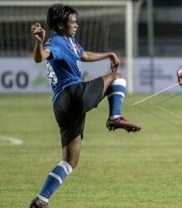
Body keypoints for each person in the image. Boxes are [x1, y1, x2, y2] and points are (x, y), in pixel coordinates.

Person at [29, 4, 141, 208]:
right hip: (73, 94)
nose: (76, 25)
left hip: (61, 106)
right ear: (61, 25)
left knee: (70, 161)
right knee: (117, 77)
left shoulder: (69, 42)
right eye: (72, 22)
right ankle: (115, 117)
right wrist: (38, 42)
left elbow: (83, 55)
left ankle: (41, 200)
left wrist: (108, 54)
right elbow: (40, 57)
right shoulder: (56, 43)